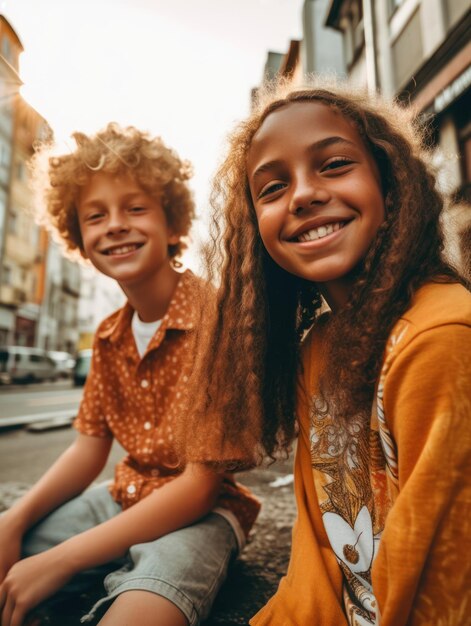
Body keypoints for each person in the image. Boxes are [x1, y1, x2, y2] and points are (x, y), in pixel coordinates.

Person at [179, 79, 471, 625]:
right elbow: (318, 555)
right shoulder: (317, 350)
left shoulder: (442, 336)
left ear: (392, 185)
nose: (303, 194)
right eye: (271, 188)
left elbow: (443, 587)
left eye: (334, 165)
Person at [0, 123, 260, 626]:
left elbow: (200, 486)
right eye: (95, 216)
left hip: (205, 514)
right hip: (122, 496)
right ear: (78, 237)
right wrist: (15, 519)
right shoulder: (106, 335)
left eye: (136, 208)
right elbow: (87, 448)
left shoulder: (216, 318)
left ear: (173, 223)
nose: (115, 225)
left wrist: (64, 558)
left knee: (143, 607)